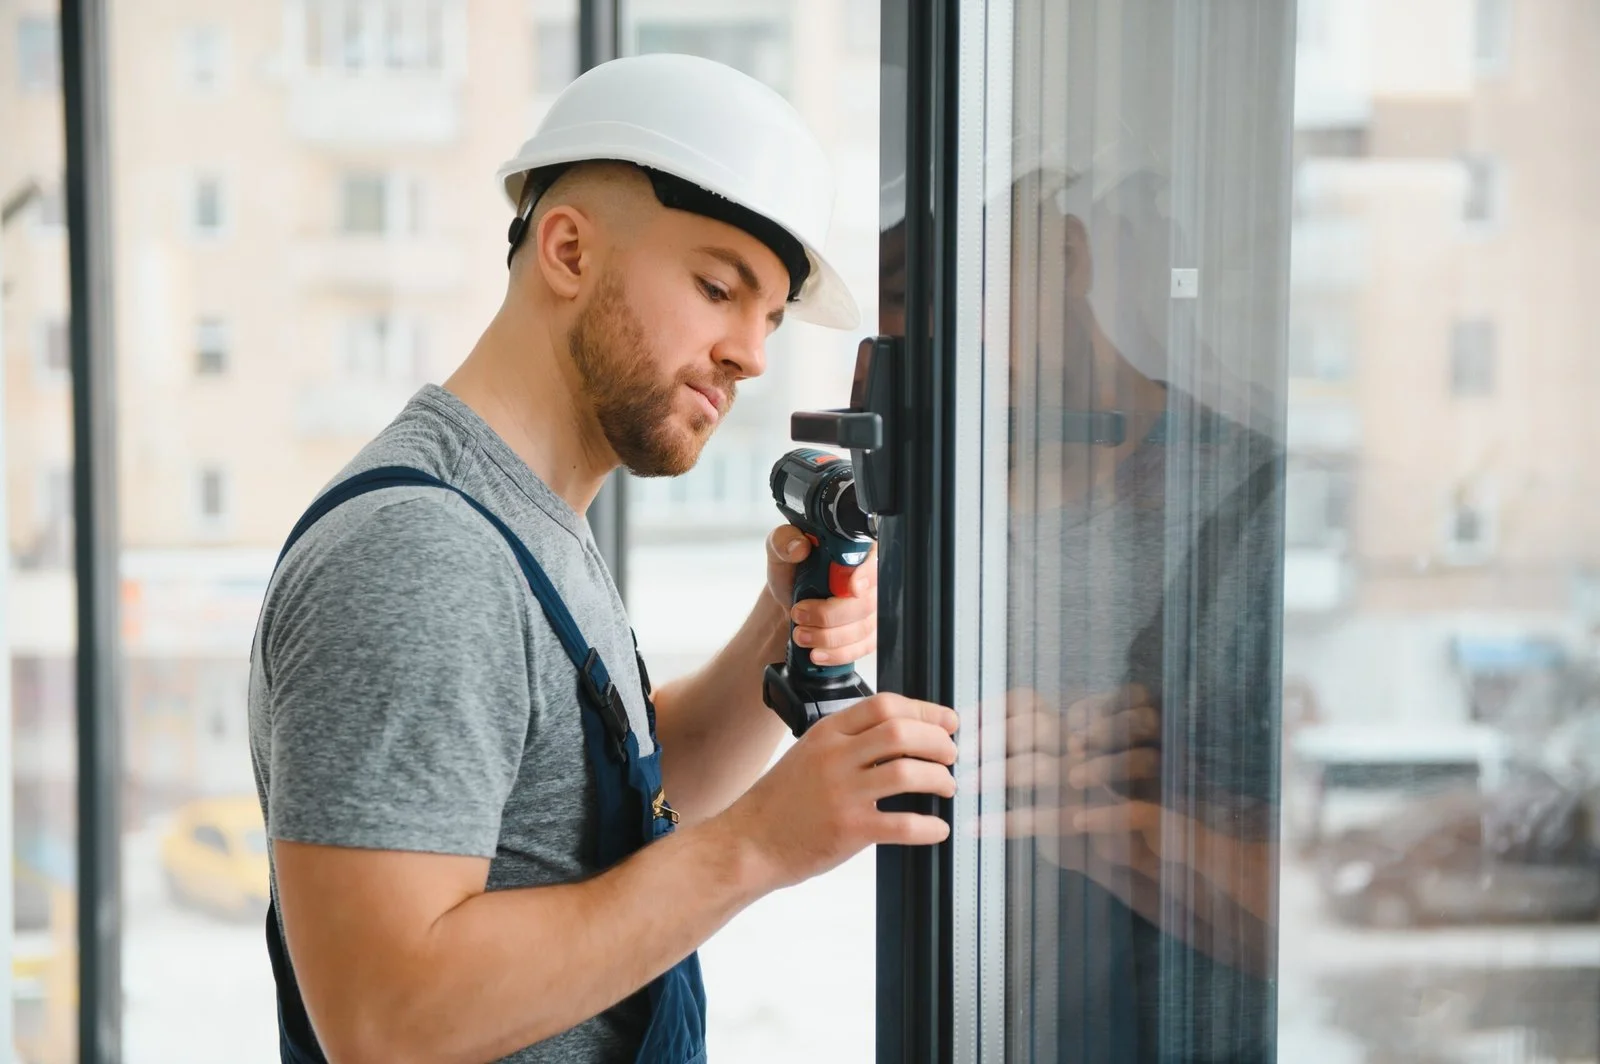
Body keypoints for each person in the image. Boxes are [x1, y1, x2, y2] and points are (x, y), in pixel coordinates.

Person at [247, 54, 959, 1064]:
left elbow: (599, 810)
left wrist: (779, 629)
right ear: (569, 250)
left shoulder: (522, 518)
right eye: (719, 286)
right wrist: (759, 841)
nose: (751, 355)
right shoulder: (423, 549)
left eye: (767, 318)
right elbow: (386, 1016)